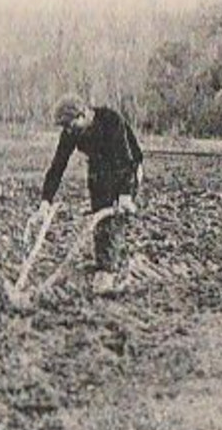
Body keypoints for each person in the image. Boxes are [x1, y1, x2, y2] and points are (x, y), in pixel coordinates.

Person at [29, 95, 143, 296]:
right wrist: (46, 200)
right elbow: (57, 166)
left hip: (127, 167)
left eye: (70, 125)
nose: (67, 130)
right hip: (98, 168)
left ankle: (108, 272)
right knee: (99, 220)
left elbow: (126, 160)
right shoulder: (71, 132)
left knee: (113, 220)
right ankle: (105, 263)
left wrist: (125, 194)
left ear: (82, 115)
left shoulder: (111, 120)